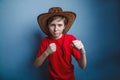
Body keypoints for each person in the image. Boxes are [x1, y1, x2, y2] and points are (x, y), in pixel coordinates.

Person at [34, 7, 87, 80]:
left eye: (59, 25)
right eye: (52, 25)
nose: (56, 29)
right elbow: (36, 64)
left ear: (64, 26)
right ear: (48, 26)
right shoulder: (45, 41)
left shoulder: (70, 39)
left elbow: (83, 66)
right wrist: (47, 52)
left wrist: (82, 51)